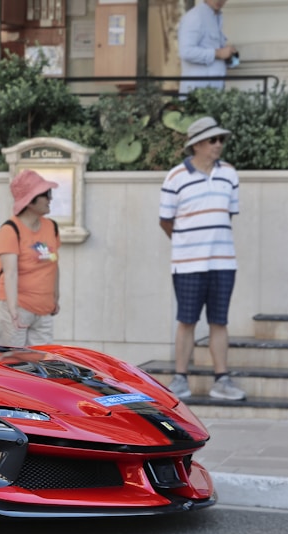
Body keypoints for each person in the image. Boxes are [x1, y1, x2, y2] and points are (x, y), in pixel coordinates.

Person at [159, 117, 244, 401]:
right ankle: (180, 379)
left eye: (221, 140)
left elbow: (227, 215)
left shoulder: (229, 174)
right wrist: (187, 244)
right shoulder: (175, 177)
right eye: (213, 140)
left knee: (220, 321)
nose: (219, 144)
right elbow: (165, 220)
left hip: (223, 263)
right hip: (187, 264)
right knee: (187, 320)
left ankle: (222, 381)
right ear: (196, 144)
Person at [0, 169, 61, 347]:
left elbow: (54, 265)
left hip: (43, 310)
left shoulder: (51, 227)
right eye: (46, 194)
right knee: (12, 359)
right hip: (15, 307)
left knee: (41, 360)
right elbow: (10, 273)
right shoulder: (10, 230)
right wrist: (13, 311)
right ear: (30, 200)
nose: (50, 199)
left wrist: (55, 298)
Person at [178, 0, 238, 96]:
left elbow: (222, 54)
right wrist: (217, 53)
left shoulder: (217, 17)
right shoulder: (194, 16)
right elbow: (186, 52)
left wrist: (232, 57)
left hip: (214, 92)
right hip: (197, 93)